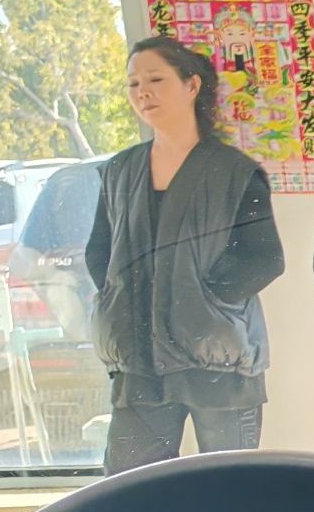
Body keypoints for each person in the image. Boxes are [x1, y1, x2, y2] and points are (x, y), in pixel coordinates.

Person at [86, 36, 284, 472]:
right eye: (133, 83)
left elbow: (265, 258)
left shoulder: (235, 171)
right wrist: (120, 298)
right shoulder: (119, 170)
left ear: (192, 86)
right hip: (139, 365)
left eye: (155, 80)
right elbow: (99, 252)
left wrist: (207, 298)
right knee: (129, 490)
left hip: (219, 365)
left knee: (229, 489)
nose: (143, 92)